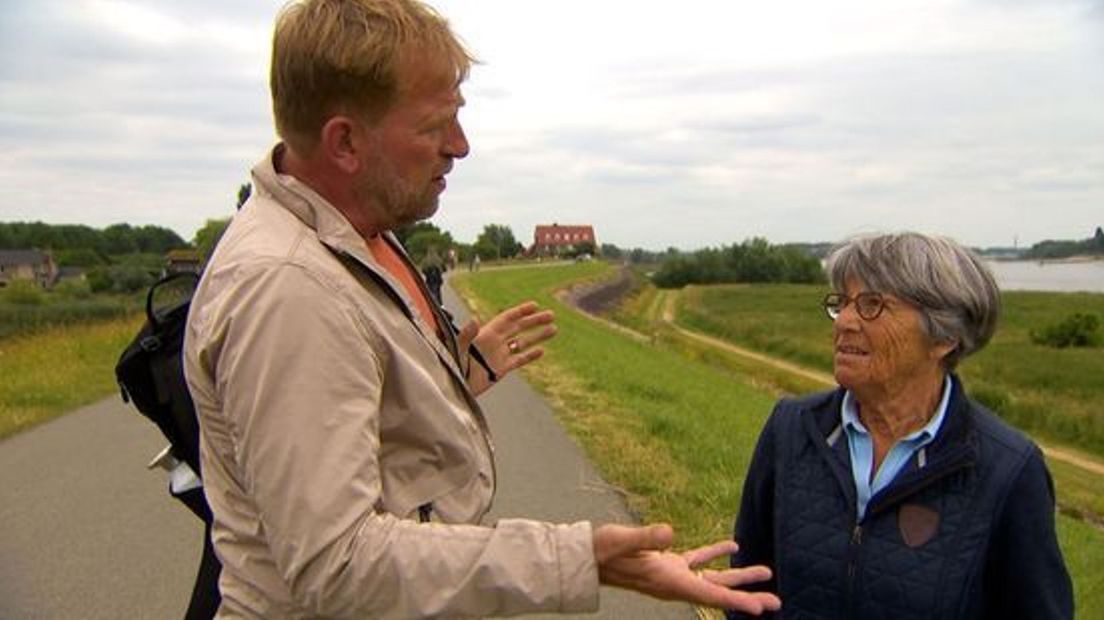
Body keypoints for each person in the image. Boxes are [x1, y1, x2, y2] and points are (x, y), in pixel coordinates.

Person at [183, 0, 780, 617]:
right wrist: (580, 559)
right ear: (345, 142)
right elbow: (339, 564)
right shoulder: (288, 290)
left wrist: (452, 379)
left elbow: (359, 408)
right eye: (434, 125)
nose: (460, 147)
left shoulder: (358, 235)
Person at [727, 232, 1073, 619]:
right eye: (841, 302)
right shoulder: (791, 429)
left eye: (871, 305)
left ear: (943, 336)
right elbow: (749, 582)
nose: (843, 321)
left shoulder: (1008, 469)